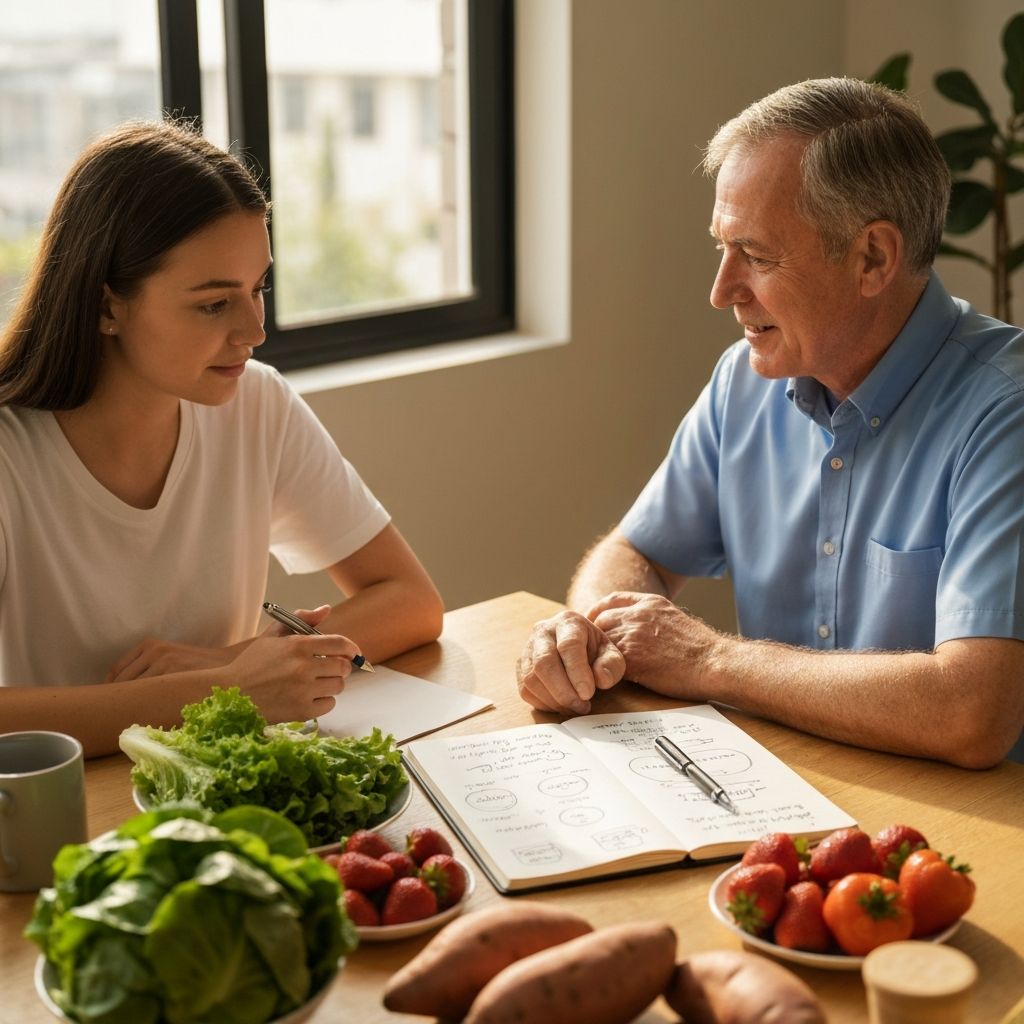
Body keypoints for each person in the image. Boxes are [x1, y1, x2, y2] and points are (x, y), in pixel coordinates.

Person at [516, 77, 1024, 770]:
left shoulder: (1006, 410)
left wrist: (707, 659)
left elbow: (972, 711)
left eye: (756, 255)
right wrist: (588, 636)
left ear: (874, 257)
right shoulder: (744, 380)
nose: (722, 290)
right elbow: (636, 552)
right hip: (786, 796)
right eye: (722, 248)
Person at [0, 119, 443, 757]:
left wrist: (232, 663)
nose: (255, 330)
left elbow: (411, 601)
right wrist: (221, 689)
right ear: (106, 306)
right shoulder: (12, 452)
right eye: (214, 304)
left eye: (258, 288)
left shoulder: (257, 403)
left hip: (225, 784)